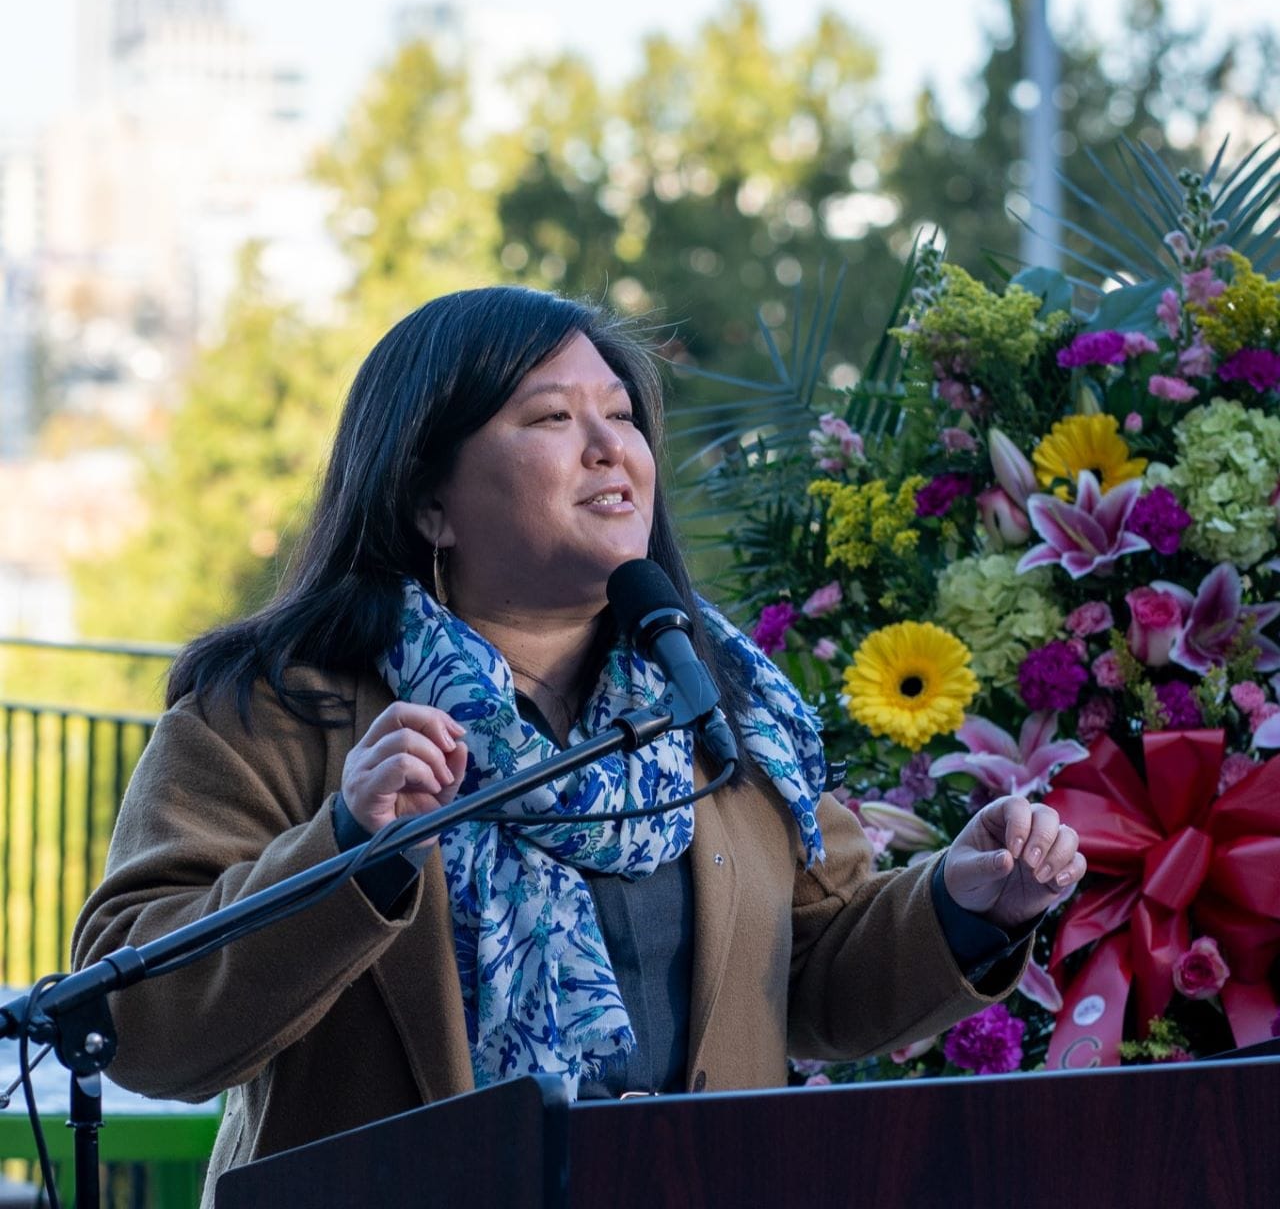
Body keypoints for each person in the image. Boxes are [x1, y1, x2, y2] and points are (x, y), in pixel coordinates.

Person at [72, 286, 1084, 1203]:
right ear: (429, 500)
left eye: (622, 415)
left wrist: (964, 905)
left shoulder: (713, 698)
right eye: (551, 418)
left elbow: (812, 977)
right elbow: (135, 1019)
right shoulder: (280, 708)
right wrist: (346, 849)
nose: (609, 447)